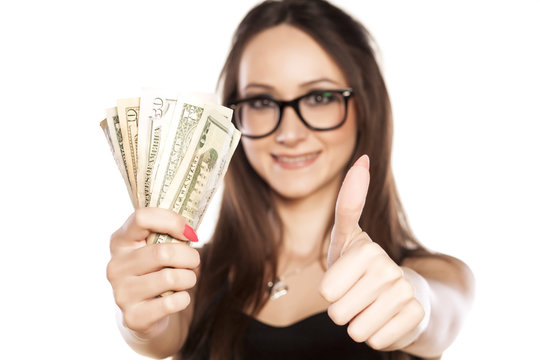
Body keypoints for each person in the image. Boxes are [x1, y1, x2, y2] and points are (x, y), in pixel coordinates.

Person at [106, 0, 475, 359]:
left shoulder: (435, 274)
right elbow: (156, 336)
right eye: (263, 102)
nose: (290, 133)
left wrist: (413, 303)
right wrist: (139, 319)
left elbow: (437, 314)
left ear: (365, 107)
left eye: (320, 97)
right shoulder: (190, 273)